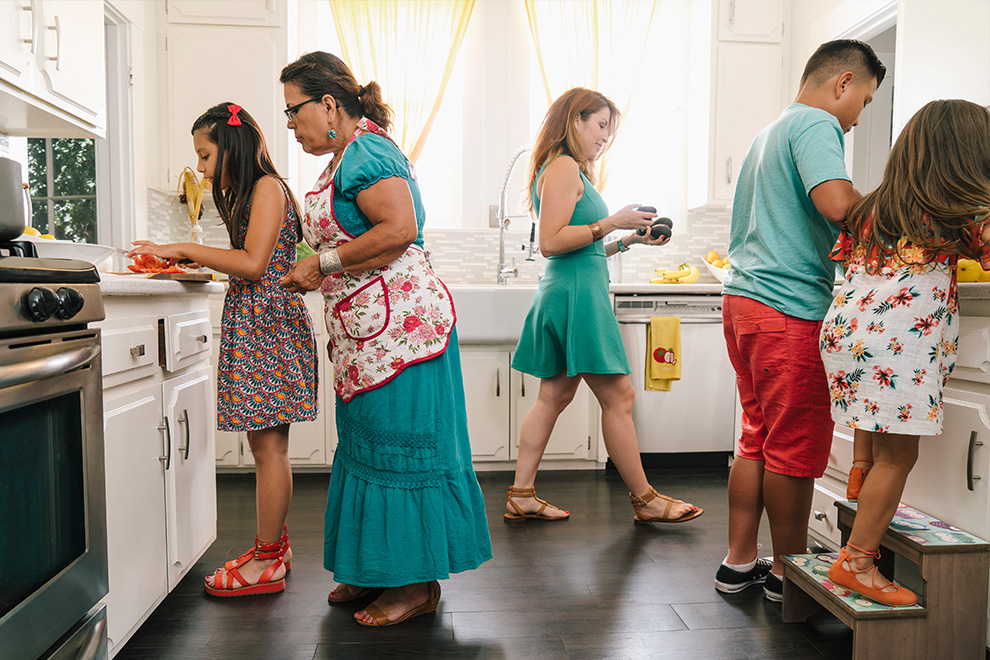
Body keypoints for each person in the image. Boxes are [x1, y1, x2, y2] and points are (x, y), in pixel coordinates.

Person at [277, 51, 492, 627]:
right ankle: (376, 568)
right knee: (368, 445)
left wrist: (321, 264)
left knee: (399, 449)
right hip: (371, 337)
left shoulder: (368, 150)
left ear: (329, 104)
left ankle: (414, 584)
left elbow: (399, 230)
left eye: (294, 110)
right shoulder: (346, 157)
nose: (291, 124)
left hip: (402, 337)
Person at [713, 39, 886, 602]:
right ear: (842, 83)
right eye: (862, 101)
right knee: (793, 448)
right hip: (787, 309)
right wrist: (902, 213)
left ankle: (739, 564)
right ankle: (790, 577)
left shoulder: (770, 132)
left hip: (744, 304)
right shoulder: (816, 125)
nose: (858, 119)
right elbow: (838, 203)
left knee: (756, 439)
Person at [128, 103, 318, 597]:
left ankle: (269, 559)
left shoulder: (268, 188)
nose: (202, 168)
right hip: (259, 325)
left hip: (269, 328)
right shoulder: (254, 193)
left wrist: (185, 249)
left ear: (231, 146)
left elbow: (253, 263)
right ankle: (271, 548)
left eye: (206, 155)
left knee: (269, 449)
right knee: (266, 448)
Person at [506, 87, 703, 526]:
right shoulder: (561, 166)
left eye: (609, 131)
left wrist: (629, 239)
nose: (604, 137)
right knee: (619, 395)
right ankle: (645, 499)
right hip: (576, 297)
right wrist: (612, 220)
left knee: (552, 396)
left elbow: (584, 248)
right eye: (600, 125)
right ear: (576, 119)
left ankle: (521, 494)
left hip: (572, 289)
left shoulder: (570, 170)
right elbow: (552, 243)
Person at [820, 99, 990, 606]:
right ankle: (857, 562)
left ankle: (859, 469)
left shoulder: (872, 206)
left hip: (847, 336)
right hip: (899, 345)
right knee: (902, 455)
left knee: (873, 416)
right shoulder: (965, 208)